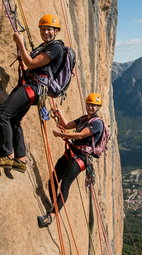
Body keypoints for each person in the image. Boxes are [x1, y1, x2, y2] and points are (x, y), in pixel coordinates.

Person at [0, 14, 64, 172]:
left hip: (32, 88)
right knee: (14, 120)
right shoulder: (44, 47)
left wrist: (20, 43)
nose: (45, 32)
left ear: (56, 31)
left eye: (49, 29)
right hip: (32, 88)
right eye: (43, 29)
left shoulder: (55, 47)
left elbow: (30, 63)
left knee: (1, 114)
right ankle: (20, 159)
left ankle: (7, 155)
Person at [37, 93, 104, 227]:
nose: (91, 107)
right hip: (72, 152)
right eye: (89, 104)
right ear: (86, 104)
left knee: (65, 184)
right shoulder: (84, 118)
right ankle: (54, 205)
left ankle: (51, 216)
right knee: (54, 179)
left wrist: (61, 134)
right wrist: (59, 113)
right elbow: (67, 124)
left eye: (94, 106)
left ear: (98, 108)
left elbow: (80, 135)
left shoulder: (97, 123)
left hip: (82, 157)